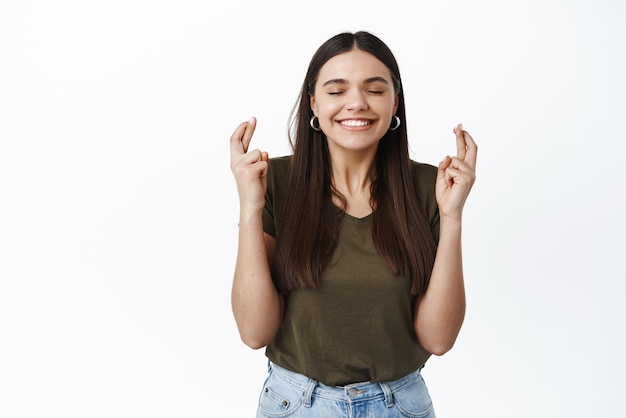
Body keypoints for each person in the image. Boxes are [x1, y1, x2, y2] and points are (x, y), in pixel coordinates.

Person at [229, 30, 477, 418]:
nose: (357, 103)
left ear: (395, 103)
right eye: (336, 90)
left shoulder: (431, 187)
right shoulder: (272, 180)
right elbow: (254, 332)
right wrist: (249, 207)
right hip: (296, 404)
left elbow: (439, 339)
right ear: (313, 103)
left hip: (401, 405)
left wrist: (453, 216)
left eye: (375, 90)